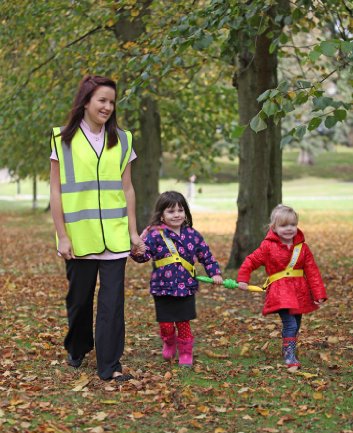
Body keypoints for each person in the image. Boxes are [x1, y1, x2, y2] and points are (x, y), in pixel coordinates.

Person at [50, 75, 145, 383]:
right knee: (79, 301)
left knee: (113, 303)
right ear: (86, 101)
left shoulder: (124, 139)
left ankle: (109, 364)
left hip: (115, 236)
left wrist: (133, 233)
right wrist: (62, 235)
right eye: (102, 100)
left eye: (111, 102)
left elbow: (127, 189)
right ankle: (78, 346)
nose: (107, 106)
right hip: (80, 237)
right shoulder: (62, 139)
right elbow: (56, 192)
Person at [131, 191, 223, 366]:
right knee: (166, 324)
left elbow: (207, 256)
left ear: (186, 213)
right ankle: (169, 341)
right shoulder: (155, 234)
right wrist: (138, 251)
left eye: (180, 210)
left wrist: (215, 273)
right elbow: (144, 256)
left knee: (183, 322)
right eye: (171, 211)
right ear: (162, 215)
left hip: (186, 286)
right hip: (162, 287)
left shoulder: (193, 235)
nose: (177, 215)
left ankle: (186, 352)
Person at [237, 204, 327, 368]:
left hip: (299, 292)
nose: (289, 229)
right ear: (274, 227)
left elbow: (312, 271)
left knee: (296, 324)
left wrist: (318, 294)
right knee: (290, 324)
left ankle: (288, 346)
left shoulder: (302, 248)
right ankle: (289, 356)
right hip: (280, 292)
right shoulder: (268, 246)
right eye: (284, 225)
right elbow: (251, 260)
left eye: (292, 225)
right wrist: (243, 278)